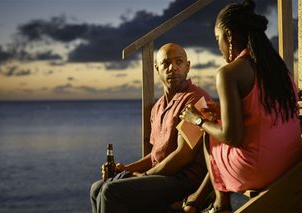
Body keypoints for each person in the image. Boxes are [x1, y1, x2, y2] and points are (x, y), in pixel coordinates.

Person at [180, 0, 302, 212]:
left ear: (228, 35)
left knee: (210, 134)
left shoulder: (229, 73)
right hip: (292, 160)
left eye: (218, 39)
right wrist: (223, 112)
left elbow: (232, 137)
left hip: (261, 168)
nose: (219, 47)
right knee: (215, 124)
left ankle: (221, 203)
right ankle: (205, 200)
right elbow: (266, 110)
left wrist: (197, 120)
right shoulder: (278, 69)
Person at [90, 43, 212, 213]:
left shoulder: (195, 99)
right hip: (162, 177)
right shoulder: (158, 106)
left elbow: (184, 155)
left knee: (112, 192)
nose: (173, 68)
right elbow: (156, 154)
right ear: (157, 68)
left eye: (179, 62)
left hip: (183, 181)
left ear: (187, 66)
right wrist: (126, 169)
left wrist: (145, 176)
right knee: (97, 188)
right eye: (166, 63)